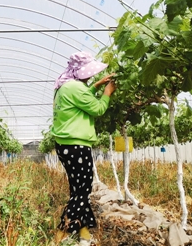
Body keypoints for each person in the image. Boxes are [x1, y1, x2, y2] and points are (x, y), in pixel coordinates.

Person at [51, 52, 116, 245]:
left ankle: (84, 233)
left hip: (66, 145)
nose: (91, 76)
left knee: (78, 188)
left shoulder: (66, 86)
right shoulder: (76, 88)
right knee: (83, 190)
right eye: (90, 72)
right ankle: (62, 233)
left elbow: (81, 97)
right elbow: (97, 109)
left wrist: (95, 86)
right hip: (76, 145)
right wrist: (107, 93)